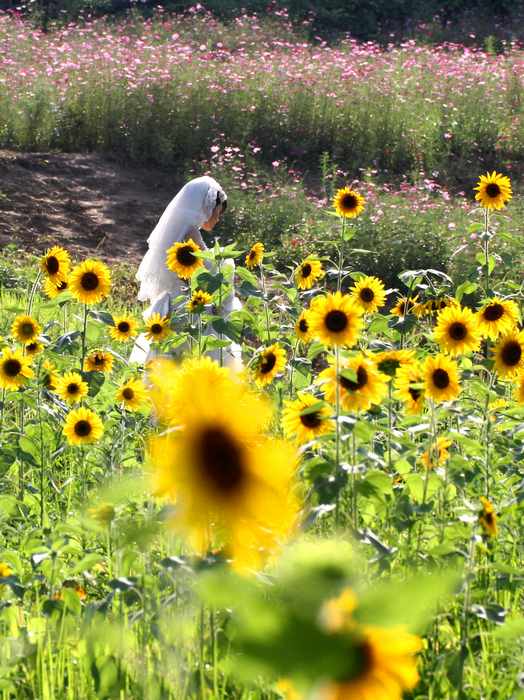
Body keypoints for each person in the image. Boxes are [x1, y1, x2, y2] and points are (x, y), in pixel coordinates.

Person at [129, 176, 242, 368]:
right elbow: (209, 273)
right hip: (190, 309)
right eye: (218, 212)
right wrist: (226, 264)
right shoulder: (190, 233)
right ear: (207, 206)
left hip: (173, 303)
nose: (218, 218)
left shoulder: (179, 231)